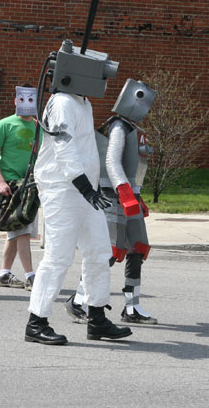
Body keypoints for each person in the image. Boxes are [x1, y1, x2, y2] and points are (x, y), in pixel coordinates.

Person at [25, 69, 132, 345]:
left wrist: (90, 188)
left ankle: (96, 319)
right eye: (100, 77)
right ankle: (36, 322)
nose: (104, 84)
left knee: (99, 252)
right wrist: (85, 187)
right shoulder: (62, 102)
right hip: (62, 189)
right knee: (58, 257)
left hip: (86, 192)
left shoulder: (83, 103)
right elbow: (64, 148)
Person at [65, 79, 159, 325]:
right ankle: (79, 299)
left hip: (129, 194)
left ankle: (132, 306)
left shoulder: (129, 127)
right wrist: (124, 191)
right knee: (110, 251)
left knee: (138, 247)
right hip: (115, 195)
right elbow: (111, 161)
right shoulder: (118, 126)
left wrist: (134, 194)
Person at [0, 84, 40, 291]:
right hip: (10, 186)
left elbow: (40, 155)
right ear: (15, 101)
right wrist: (1, 181)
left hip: (29, 187)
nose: (26, 103)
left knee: (14, 232)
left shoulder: (37, 127)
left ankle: (4, 274)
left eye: (30, 100)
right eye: (22, 99)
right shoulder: (5, 124)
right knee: (23, 232)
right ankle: (31, 277)